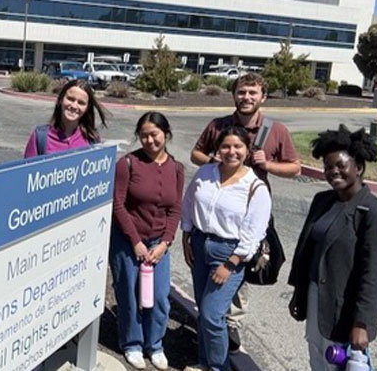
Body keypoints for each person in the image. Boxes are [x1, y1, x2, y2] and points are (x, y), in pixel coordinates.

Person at [189, 72, 300, 350]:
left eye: (253, 93)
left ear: (263, 96)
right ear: (234, 95)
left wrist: (269, 165)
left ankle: (232, 323)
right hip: (219, 210)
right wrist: (212, 158)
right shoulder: (219, 126)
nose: (246, 98)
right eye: (241, 92)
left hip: (253, 210)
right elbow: (196, 154)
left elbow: (295, 168)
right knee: (213, 270)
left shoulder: (275, 130)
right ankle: (214, 320)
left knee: (242, 266)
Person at [287, 125, 377, 371]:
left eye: (340, 166)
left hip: (346, 309)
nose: (332, 172)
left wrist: (363, 323)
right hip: (317, 299)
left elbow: (375, 277)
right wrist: (299, 292)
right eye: (327, 166)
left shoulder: (376, 214)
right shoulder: (322, 201)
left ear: (358, 168)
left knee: (340, 364)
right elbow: (306, 252)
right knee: (318, 356)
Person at [181, 126, 271, 371]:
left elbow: (254, 233)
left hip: (230, 253)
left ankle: (219, 367)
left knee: (212, 314)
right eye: (226, 146)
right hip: (200, 245)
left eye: (238, 147)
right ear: (218, 149)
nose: (231, 152)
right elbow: (189, 202)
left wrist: (231, 263)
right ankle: (204, 362)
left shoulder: (255, 187)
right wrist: (186, 235)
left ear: (247, 150)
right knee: (203, 311)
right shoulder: (205, 172)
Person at [110, 112, 184, 370]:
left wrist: (165, 243)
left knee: (160, 296)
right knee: (129, 294)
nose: (149, 140)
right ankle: (132, 343)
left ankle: (155, 344)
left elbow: (175, 209)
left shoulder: (176, 168)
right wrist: (135, 242)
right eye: (144, 135)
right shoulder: (128, 163)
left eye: (154, 134)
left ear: (166, 134)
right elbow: (118, 205)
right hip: (128, 240)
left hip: (158, 243)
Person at [23, 79, 107, 157]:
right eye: (70, 99)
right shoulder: (40, 137)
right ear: (60, 100)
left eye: (81, 103)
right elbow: (27, 171)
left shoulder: (92, 140)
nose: (74, 106)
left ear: (87, 108)